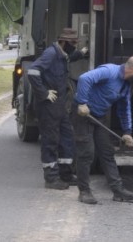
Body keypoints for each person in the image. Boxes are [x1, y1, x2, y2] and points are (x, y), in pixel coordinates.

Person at [72, 55, 133, 204]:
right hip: (84, 114)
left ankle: (118, 191)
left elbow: (125, 108)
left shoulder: (125, 85)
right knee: (87, 153)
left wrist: (127, 132)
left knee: (107, 153)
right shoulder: (109, 71)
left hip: (99, 117)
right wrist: (82, 102)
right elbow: (84, 79)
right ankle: (84, 191)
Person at [26, 28, 87, 190]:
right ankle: (51, 178)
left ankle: (65, 174)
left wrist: (81, 53)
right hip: (48, 106)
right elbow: (32, 72)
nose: (74, 46)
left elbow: (69, 58)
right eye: (72, 43)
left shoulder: (62, 54)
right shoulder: (51, 54)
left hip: (59, 105)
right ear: (64, 42)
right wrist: (44, 93)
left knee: (67, 137)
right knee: (50, 140)